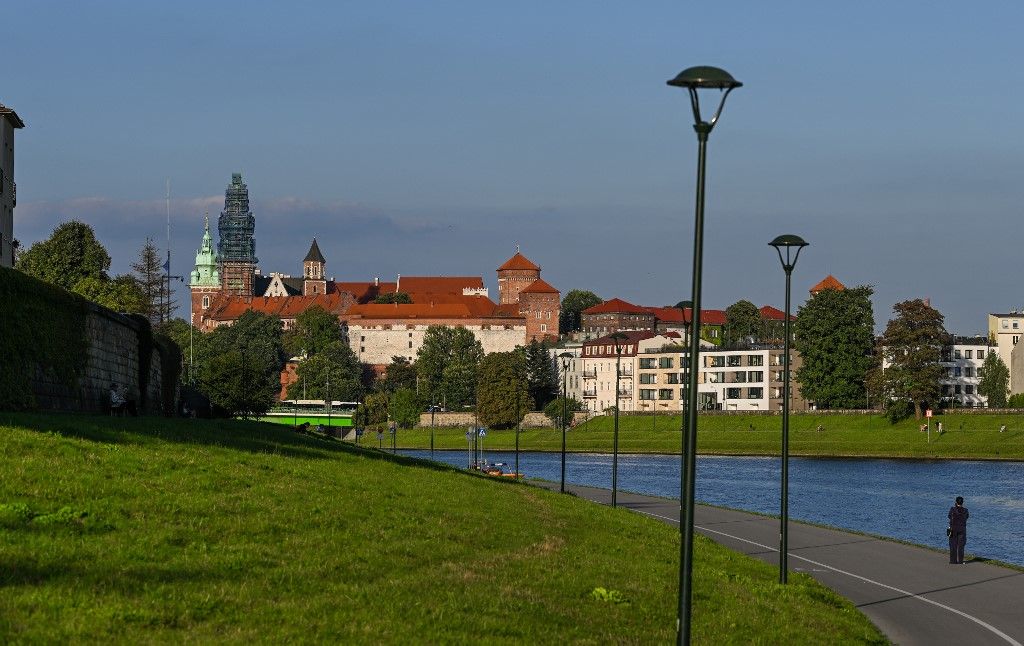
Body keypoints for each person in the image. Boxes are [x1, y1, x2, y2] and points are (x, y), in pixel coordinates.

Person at [948, 496, 969, 564]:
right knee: (961, 546)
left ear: (956, 502)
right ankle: (960, 561)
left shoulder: (952, 509)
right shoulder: (965, 510)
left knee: (953, 545)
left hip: (953, 529)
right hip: (962, 529)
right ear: (962, 503)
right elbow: (967, 517)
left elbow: (949, 516)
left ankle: (953, 561)